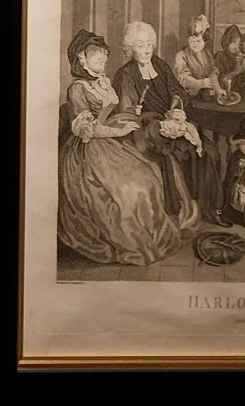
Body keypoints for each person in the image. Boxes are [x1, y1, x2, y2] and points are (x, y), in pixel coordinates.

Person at [58, 31, 175, 267]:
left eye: (103, 54)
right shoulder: (77, 89)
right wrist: (119, 132)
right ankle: (131, 242)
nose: (102, 58)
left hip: (109, 144)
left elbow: (112, 113)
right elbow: (86, 129)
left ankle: (151, 235)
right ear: (81, 59)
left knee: (148, 174)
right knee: (125, 190)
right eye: (95, 55)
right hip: (86, 150)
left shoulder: (103, 82)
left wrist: (131, 114)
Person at [116, 18, 201, 222]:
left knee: (207, 152)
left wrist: (177, 108)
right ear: (131, 49)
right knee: (174, 154)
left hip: (171, 121)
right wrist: (139, 112)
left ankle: (204, 207)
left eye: (149, 44)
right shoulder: (126, 74)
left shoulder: (160, 65)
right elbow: (126, 112)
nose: (146, 50)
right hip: (146, 129)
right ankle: (174, 210)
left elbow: (178, 91)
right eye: (140, 45)